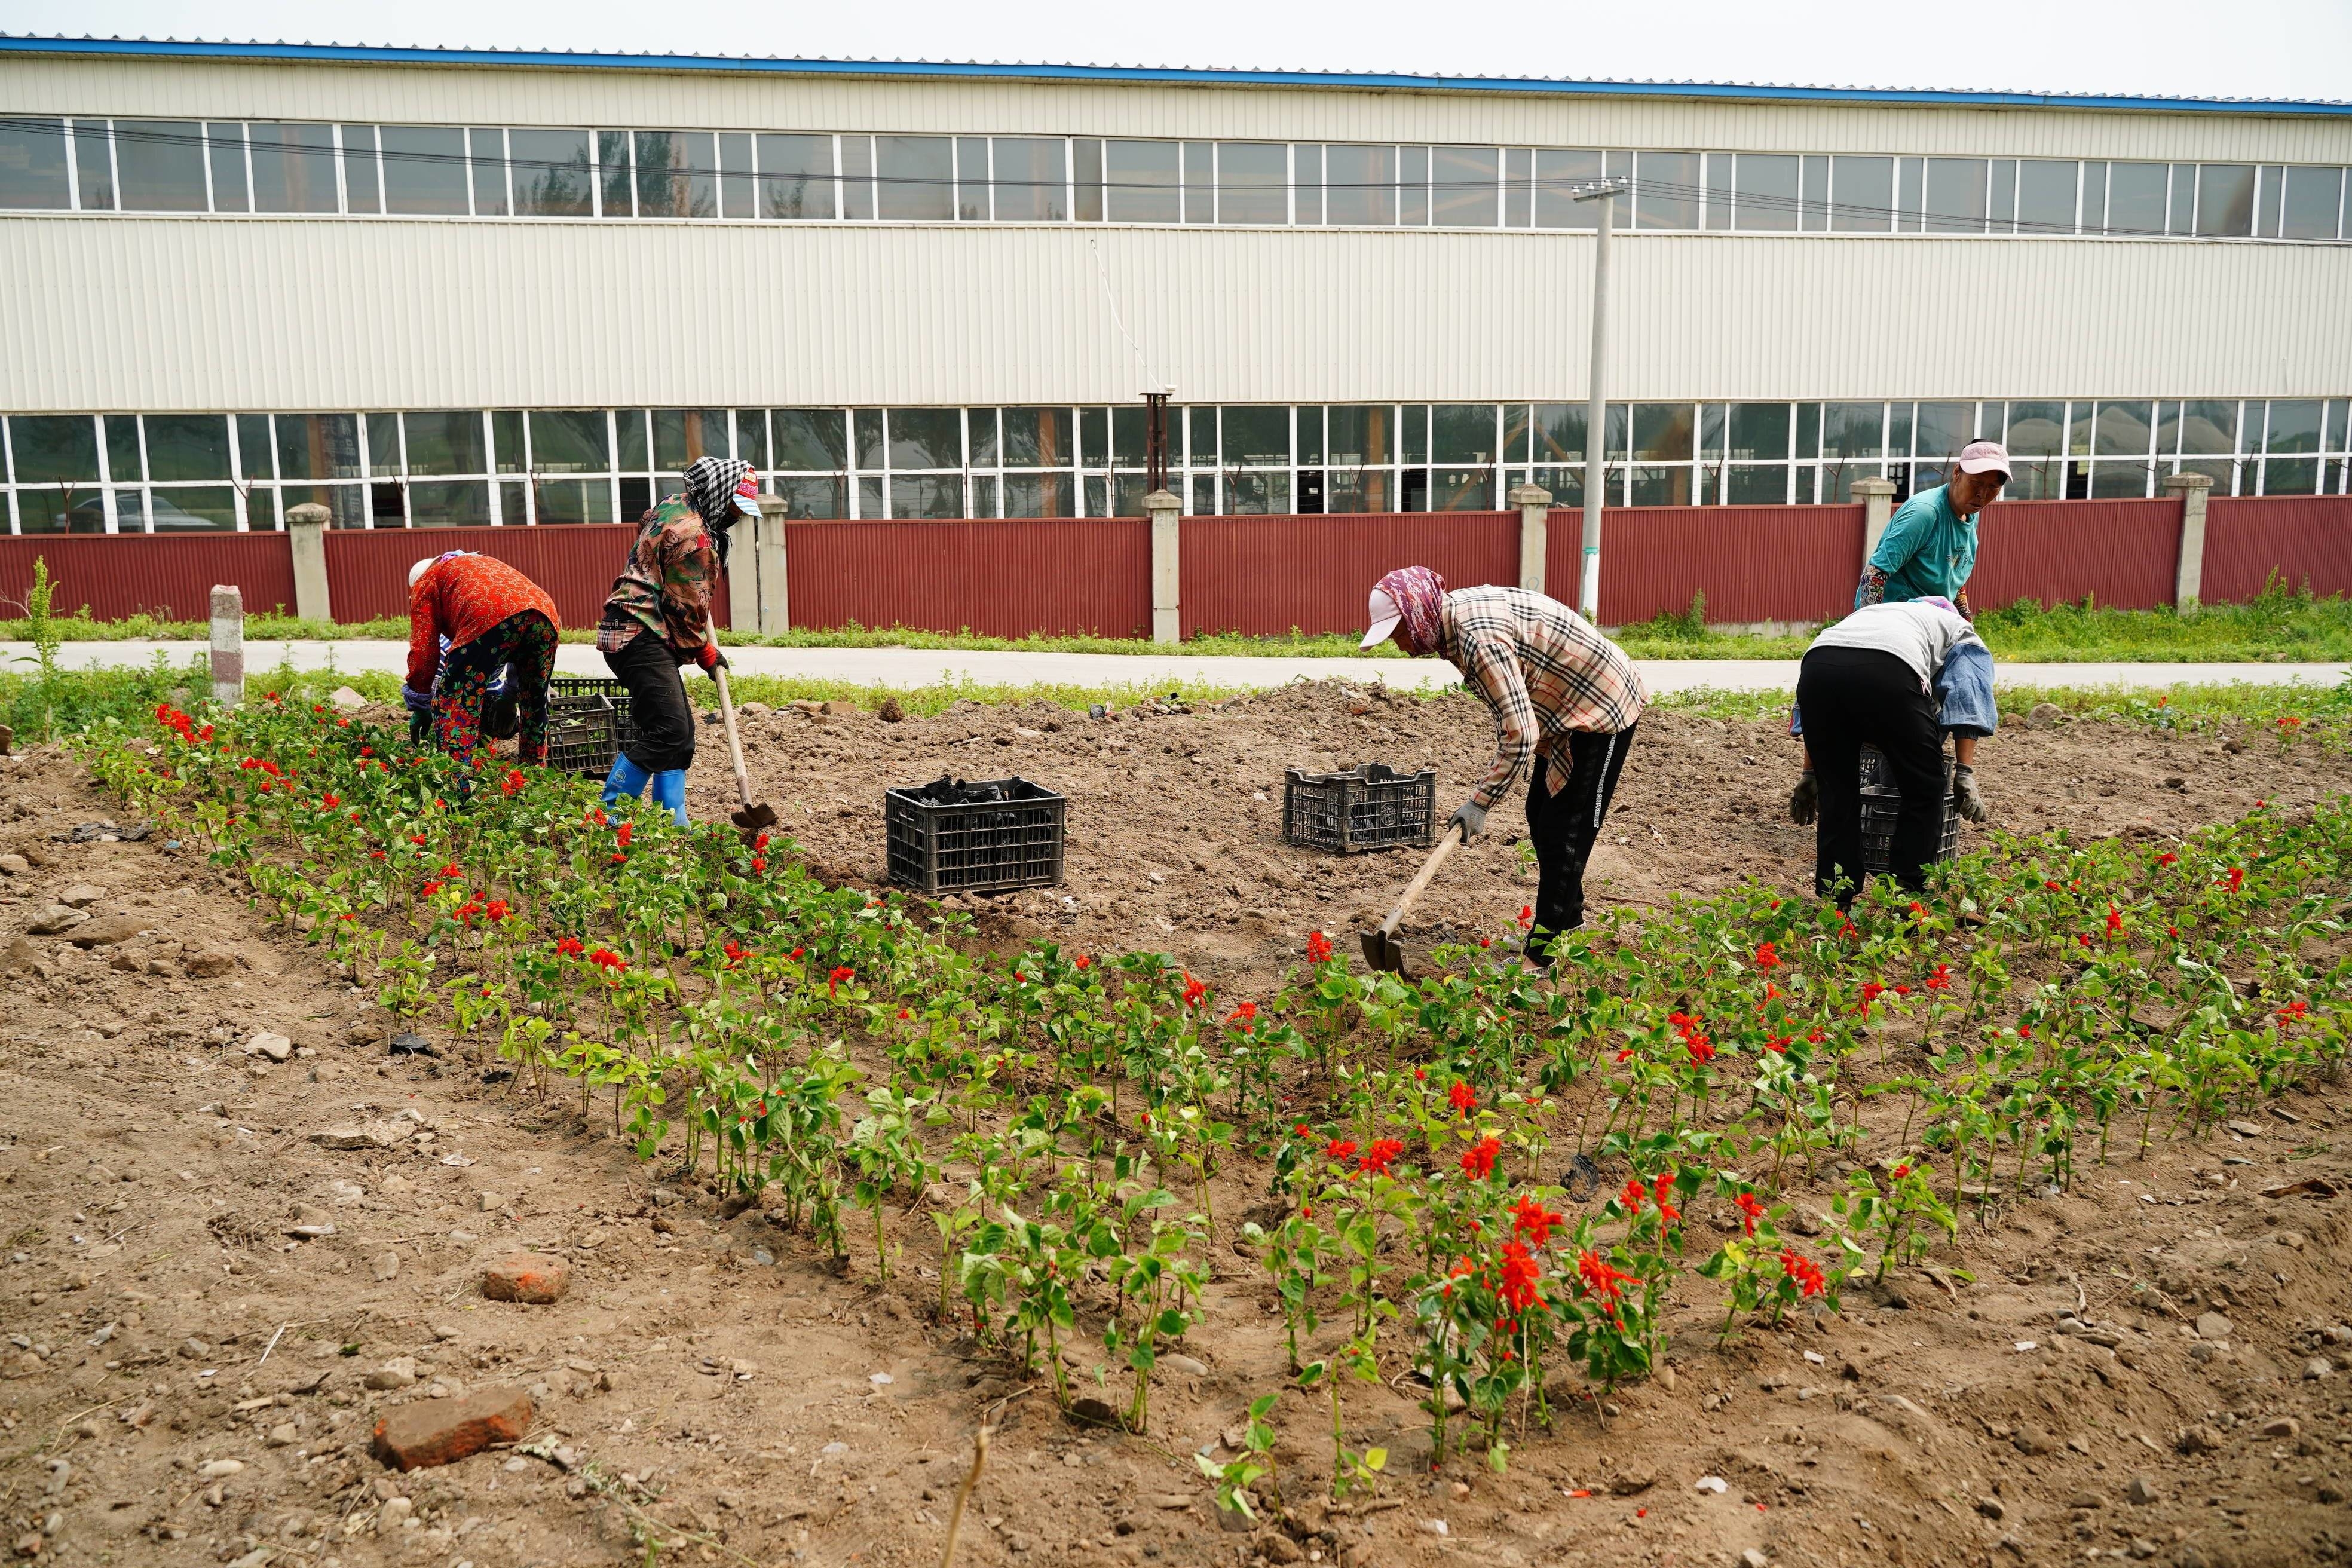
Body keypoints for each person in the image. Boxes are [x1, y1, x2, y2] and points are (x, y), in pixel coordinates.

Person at [1360, 566, 1646, 967]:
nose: (1400, 645)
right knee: (1540, 815)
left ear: (1418, 614)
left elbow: (1521, 735)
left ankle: (1541, 961)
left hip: (1599, 704)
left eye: (1399, 632)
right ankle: (1569, 921)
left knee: (1566, 831)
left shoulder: (1479, 640)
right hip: (1560, 705)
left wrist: (1479, 802)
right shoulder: (1454, 622)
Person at [595, 454, 760, 827]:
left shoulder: (675, 505)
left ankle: (672, 820)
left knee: (680, 738)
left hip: (630, 628)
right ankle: (610, 814)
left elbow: (646, 523)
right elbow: (686, 613)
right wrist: (705, 652)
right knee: (671, 731)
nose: (738, 516)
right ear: (720, 495)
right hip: (639, 632)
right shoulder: (696, 539)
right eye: (736, 506)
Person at [1794, 597, 1989, 906]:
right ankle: (1907, 899)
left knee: (1837, 791)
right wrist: (1965, 773)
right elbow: (1968, 697)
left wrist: (1811, 773)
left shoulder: (1872, 615)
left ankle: (1837, 901)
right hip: (1890, 671)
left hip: (1818, 666)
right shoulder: (1960, 630)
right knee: (1925, 788)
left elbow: (1809, 707)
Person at [401, 551, 560, 771]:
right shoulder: (479, 565)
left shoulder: (427, 582)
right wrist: (510, 696)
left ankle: (456, 786)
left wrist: (420, 702)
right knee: (534, 702)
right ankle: (532, 779)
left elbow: (424, 649)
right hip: (545, 615)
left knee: (455, 703)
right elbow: (518, 617)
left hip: (489, 615)